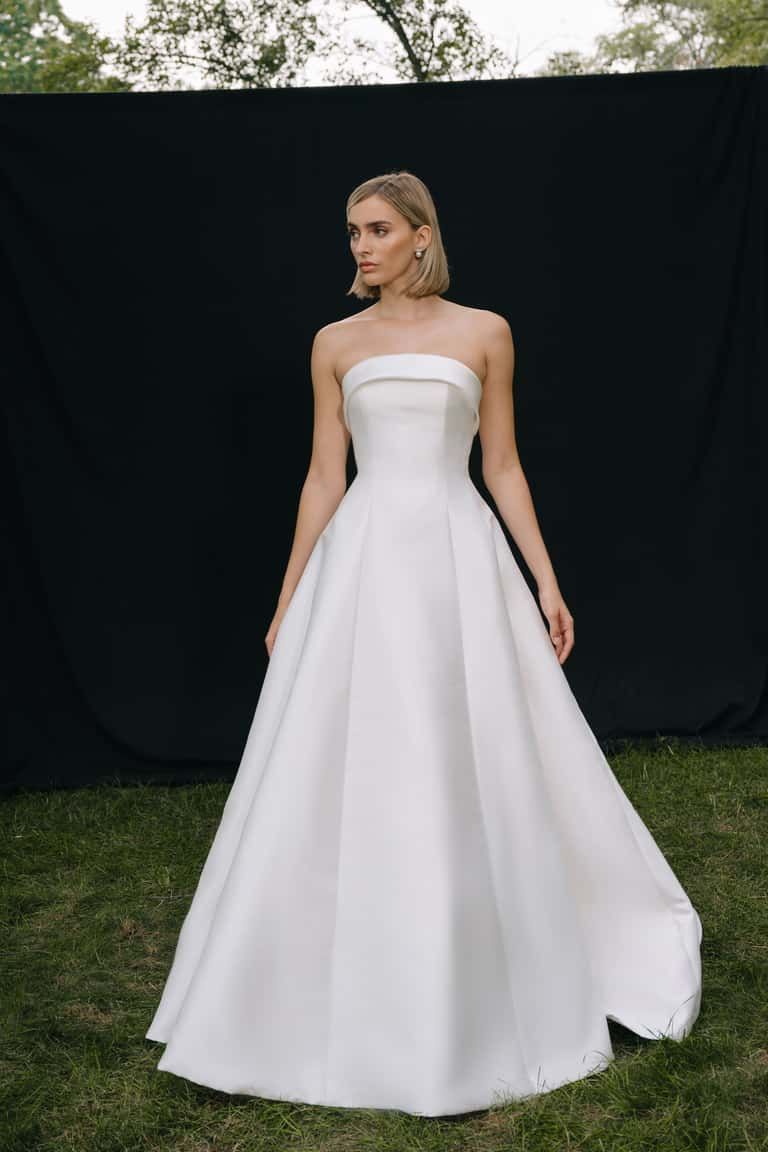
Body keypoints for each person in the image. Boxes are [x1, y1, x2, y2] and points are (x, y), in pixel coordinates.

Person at [146, 170, 702, 1118]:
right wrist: (290, 597)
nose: (359, 247)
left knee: (466, 749)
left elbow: (503, 465)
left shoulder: (485, 332)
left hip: (456, 556)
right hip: (362, 561)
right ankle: (311, 981)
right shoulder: (334, 342)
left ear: (419, 236)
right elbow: (324, 477)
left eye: (374, 230)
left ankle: (486, 961)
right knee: (340, 759)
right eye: (351, 232)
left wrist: (546, 578)